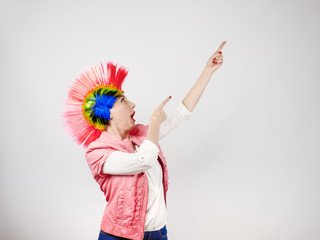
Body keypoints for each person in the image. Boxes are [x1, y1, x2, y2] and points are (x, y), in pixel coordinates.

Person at [63, 41, 226, 240]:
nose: (133, 104)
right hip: (119, 237)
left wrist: (207, 72)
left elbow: (179, 116)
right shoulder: (97, 153)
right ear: (108, 113)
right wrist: (154, 124)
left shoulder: (140, 134)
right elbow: (143, 161)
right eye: (123, 100)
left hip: (158, 234)